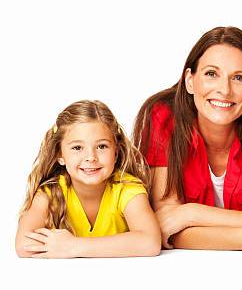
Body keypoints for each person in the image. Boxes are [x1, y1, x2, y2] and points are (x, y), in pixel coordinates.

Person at [133, 26, 242, 250]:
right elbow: (166, 227)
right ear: (189, 80)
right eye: (211, 74)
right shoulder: (163, 118)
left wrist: (188, 214)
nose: (225, 90)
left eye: (239, 78)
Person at [15, 100, 161, 258]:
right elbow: (25, 245)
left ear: (116, 152)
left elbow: (150, 243)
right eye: (77, 148)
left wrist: (74, 247)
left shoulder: (127, 189)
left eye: (102, 146)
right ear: (60, 155)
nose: (91, 157)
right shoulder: (51, 192)